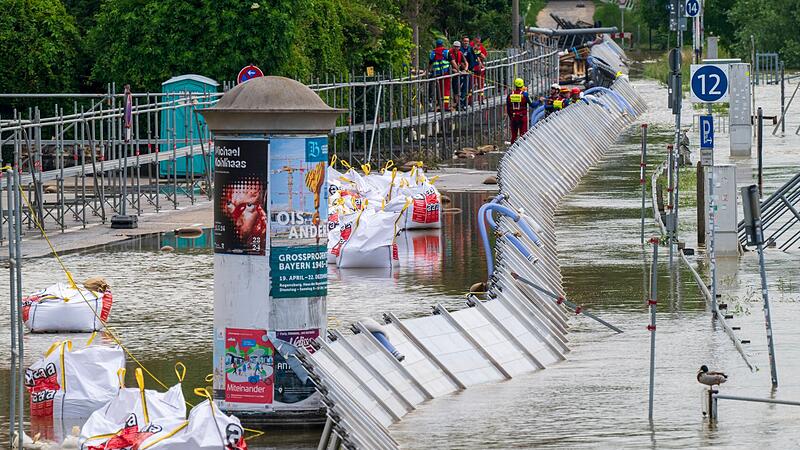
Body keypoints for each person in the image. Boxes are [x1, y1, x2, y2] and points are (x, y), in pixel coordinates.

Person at [506, 78, 534, 144]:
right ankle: (523, 148)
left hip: (513, 117)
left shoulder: (510, 95)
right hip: (522, 117)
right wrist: (539, 101)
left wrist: (511, 117)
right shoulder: (525, 95)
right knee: (523, 135)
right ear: (522, 85)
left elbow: (508, 109)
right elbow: (533, 105)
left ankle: (512, 148)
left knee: (514, 136)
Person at [428, 39, 451, 110]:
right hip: (446, 73)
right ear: (442, 44)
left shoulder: (433, 52)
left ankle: (441, 105)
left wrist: (427, 71)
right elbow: (452, 61)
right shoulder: (446, 52)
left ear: (436, 45)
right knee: (446, 89)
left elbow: (430, 63)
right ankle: (445, 106)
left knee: (439, 89)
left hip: (437, 73)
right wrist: (458, 70)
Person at [449, 40, 467, 109]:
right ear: (453, 46)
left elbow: (465, 62)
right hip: (451, 72)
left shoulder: (460, 53)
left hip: (458, 73)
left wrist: (465, 69)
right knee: (455, 89)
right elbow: (453, 63)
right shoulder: (450, 53)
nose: (456, 48)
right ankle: (457, 103)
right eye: (455, 47)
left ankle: (459, 103)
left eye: (458, 47)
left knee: (459, 87)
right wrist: (457, 71)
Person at [461, 37, 478, 105]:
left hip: (470, 70)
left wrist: (478, 64)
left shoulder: (470, 49)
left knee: (469, 86)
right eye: (465, 41)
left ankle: (467, 101)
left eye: (467, 41)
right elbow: (460, 61)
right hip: (462, 71)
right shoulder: (460, 49)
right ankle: (462, 102)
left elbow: (475, 57)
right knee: (463, 86)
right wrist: (465, 69)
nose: (466, 42)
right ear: (462, 42)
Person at [471, 37, 487, 104]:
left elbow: (484, 57)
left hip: (480, 69)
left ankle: (481, 100)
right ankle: (469, 101)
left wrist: (479, 54)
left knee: (481, 85)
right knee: (471, 85)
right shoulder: (470, 48)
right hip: (472, 69)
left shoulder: (481, 48)